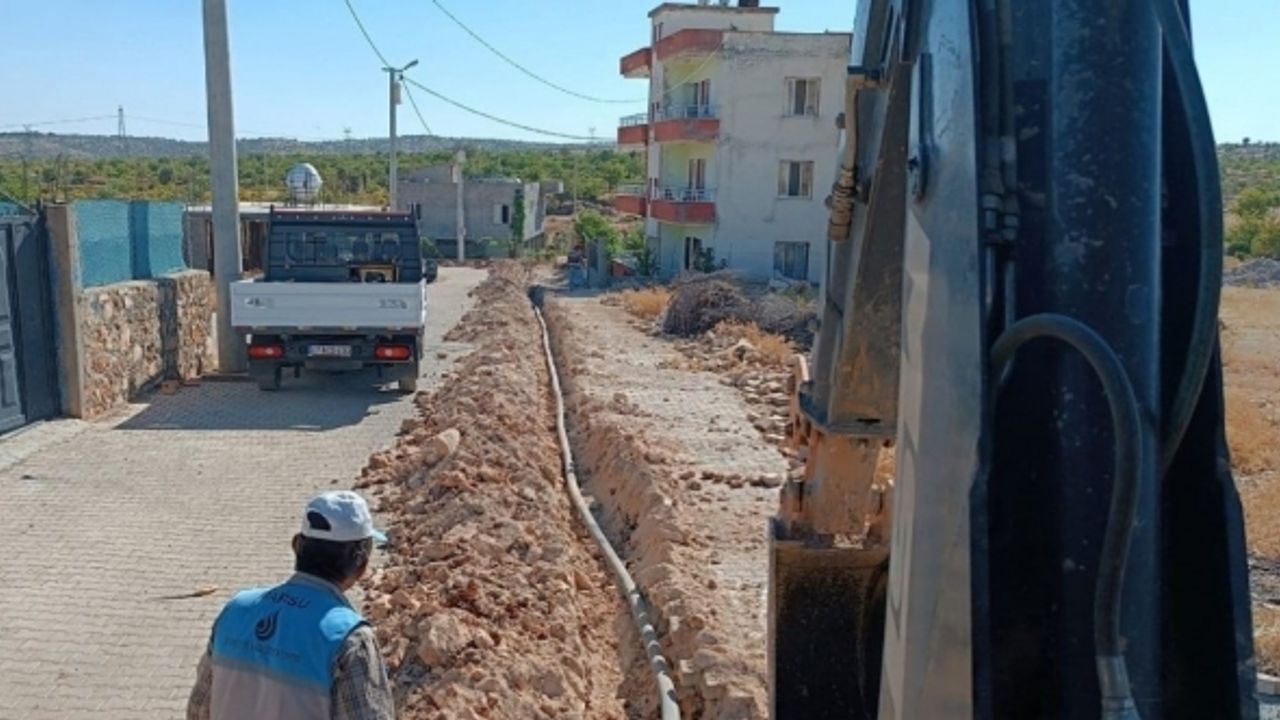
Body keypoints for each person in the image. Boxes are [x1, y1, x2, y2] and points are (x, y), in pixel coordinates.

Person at [186, 491, 394, 720]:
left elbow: (199, 710)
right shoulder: (350, 639)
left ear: (296, 546)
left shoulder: (237, 610)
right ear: (362, 565)